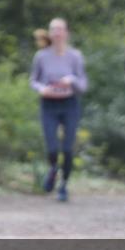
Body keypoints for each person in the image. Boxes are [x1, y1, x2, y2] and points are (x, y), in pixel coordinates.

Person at [29, 18, 88, 202]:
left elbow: (83, 84)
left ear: (66, 33)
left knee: (68, 148)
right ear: (49, 33)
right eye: (53, 29)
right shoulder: (41, 56)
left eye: (60, 29)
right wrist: (42, 89)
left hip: (69, 103)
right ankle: (54, 168)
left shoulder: (75, 56)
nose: (57, 33)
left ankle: (63, 186)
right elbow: (33, 80)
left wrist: (71, 80)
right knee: (52, 146)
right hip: (49, 104)